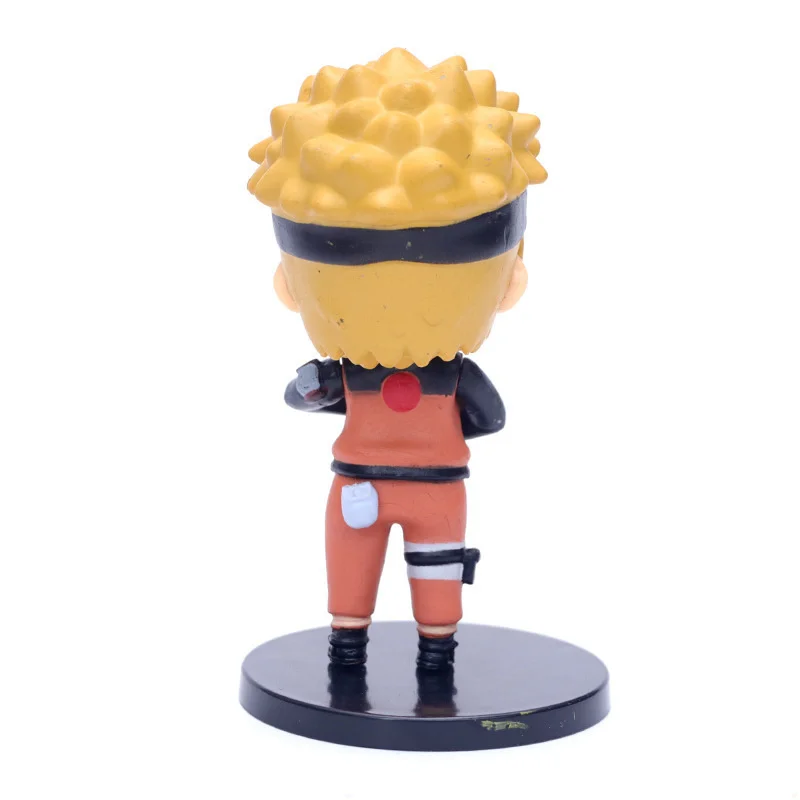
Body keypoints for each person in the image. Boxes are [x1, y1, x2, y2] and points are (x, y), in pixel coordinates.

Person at [248, 47, 546, 669]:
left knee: (430, 576)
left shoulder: (447, 375)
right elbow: (488, 419)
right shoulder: (355, 373)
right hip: (369, 484)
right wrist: (314, 385)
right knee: (352, 571)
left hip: (422, 489)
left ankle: (431, 651)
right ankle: (352, 644)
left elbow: (490, 416)